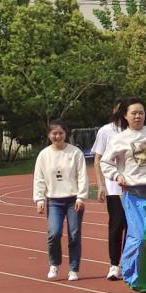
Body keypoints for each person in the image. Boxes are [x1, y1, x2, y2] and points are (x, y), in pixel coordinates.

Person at [100, 98, 146, 293]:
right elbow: (105, 162)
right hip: (133, 192)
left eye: (141, 112)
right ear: (125, 115)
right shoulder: (120, 139)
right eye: (133, 113)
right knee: (140, 236)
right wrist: (117, 175)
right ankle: (131, 272)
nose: (138, 116)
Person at [33, 119, 88, 281]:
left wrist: (81, 197)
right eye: (54, 133)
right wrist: (40, 199)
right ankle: (54, 264)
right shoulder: (44, 155)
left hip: (73, 200)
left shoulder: (75, 153)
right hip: (54, 201)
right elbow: (39, 178)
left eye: (60, 133)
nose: (57, 136)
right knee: (54, 233)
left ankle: (73, 269)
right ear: (49, 135)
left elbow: (82, 175)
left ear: (66, 134)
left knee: (74, 234)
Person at [91, 100, 128, 281]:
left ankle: (127, 263)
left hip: (136, 187)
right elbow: (98, 159)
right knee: (116, 225)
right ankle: (114, 265)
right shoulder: (106, 131)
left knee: (133, 227)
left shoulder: (136, 130)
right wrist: (101, 185)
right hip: (114, 187)